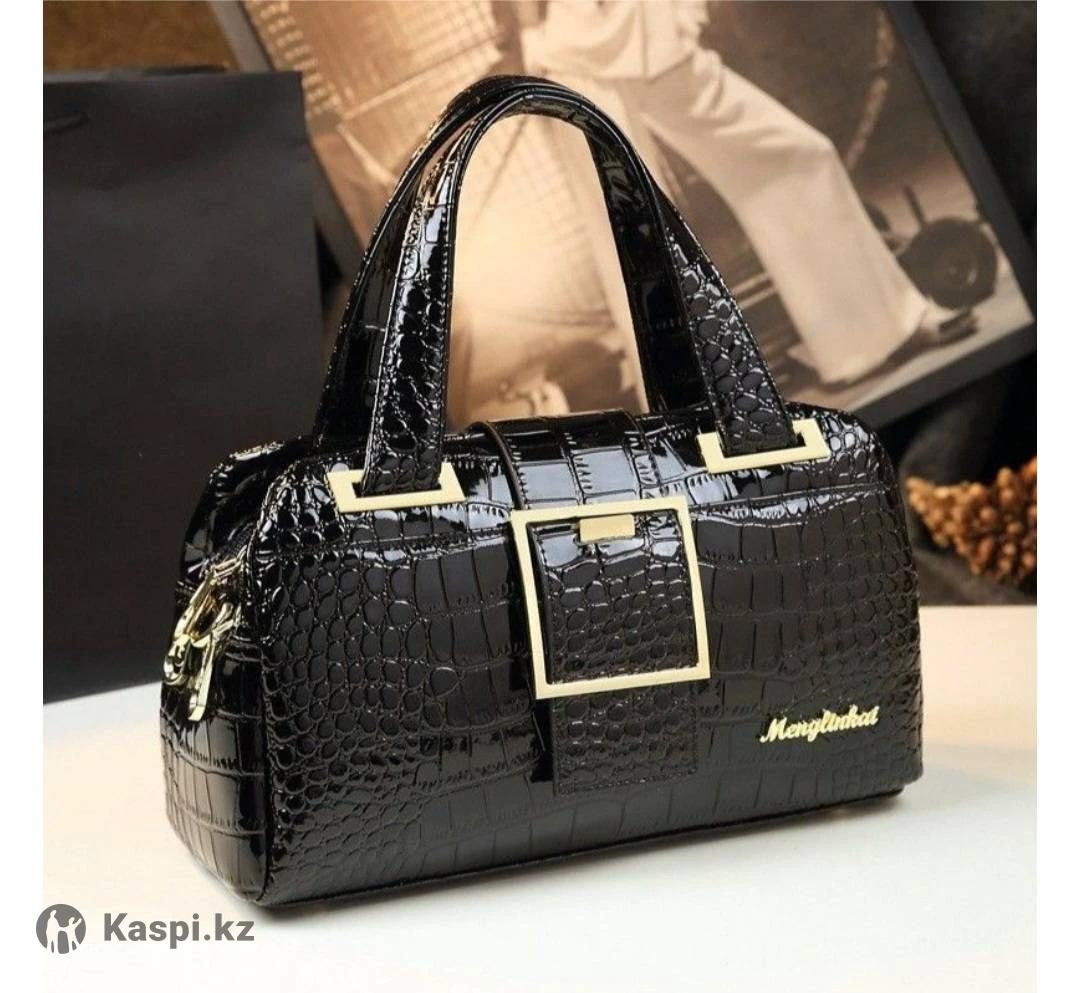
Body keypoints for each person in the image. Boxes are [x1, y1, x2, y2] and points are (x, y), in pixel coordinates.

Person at [520, 0, 974, 386]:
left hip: (634, 33)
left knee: (796, 158)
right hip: (584, 49)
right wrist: (531, 36)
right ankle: (688, 415)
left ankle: (873, 334)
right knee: (634, 234)